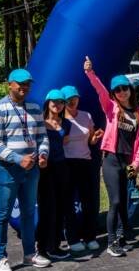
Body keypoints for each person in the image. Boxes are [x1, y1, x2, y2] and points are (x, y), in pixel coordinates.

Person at [0, 68, 51, 271]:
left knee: (29, 213)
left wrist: (43, 154)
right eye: (20, 83)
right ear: (9, 85)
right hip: (7, 169)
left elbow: (42, 137)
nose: (24, 87)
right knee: (3, 214)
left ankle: (29, 255)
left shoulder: (34, 107)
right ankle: (0, 258)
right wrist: (17, 159)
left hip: (32, 169)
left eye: (27, 84)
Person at [84, 56, 139, 257]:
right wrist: (90, 73)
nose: (122, 92)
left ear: (130, 89)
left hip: (127, 162)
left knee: (125, 202)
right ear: (114, 93)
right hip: (111, 160)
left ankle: (120, 238)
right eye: (117, 90)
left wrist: (136, 164)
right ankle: (111, 243)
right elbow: (100, 90)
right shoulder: (111, 108)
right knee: (116, 201)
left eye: (124, 88)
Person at [61, 85, 103, 253]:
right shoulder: (60, 119)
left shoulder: (86, 116)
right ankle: (72, 238)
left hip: (86, 162)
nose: (73, 101)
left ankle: (90, 237)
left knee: (89, 202)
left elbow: (91, 140)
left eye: (75, 98)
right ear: (63, 102)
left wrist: (96, 137)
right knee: (69, 203)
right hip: (67, 164)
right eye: (69, 99)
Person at [36, 89, 72, 261]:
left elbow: (64, 143)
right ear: (47, 103)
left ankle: (55, 246)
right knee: (46, 209)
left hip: (62, 168)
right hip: (45, 170)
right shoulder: (40, 123)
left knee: (60, 208)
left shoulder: (66, 124)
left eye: (60, 102)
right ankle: (41, 248)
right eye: (54, 102)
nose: (57, 105)